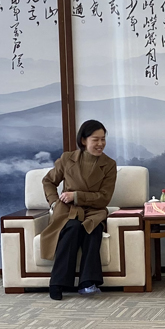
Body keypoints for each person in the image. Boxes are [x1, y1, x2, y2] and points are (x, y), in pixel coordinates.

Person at [39, 120, 117, 301]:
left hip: (94, 210)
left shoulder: (109, 164)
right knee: (72, 228)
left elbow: (104, 197)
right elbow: (48, 181)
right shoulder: (67, 159)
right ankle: (57, 282)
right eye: (95, 139)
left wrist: (77, 196)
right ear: (83, 140)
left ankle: (87, 283)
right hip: (68, 210)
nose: (100, 144)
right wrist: (53, 202)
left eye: (103, 139)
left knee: (92, 229)